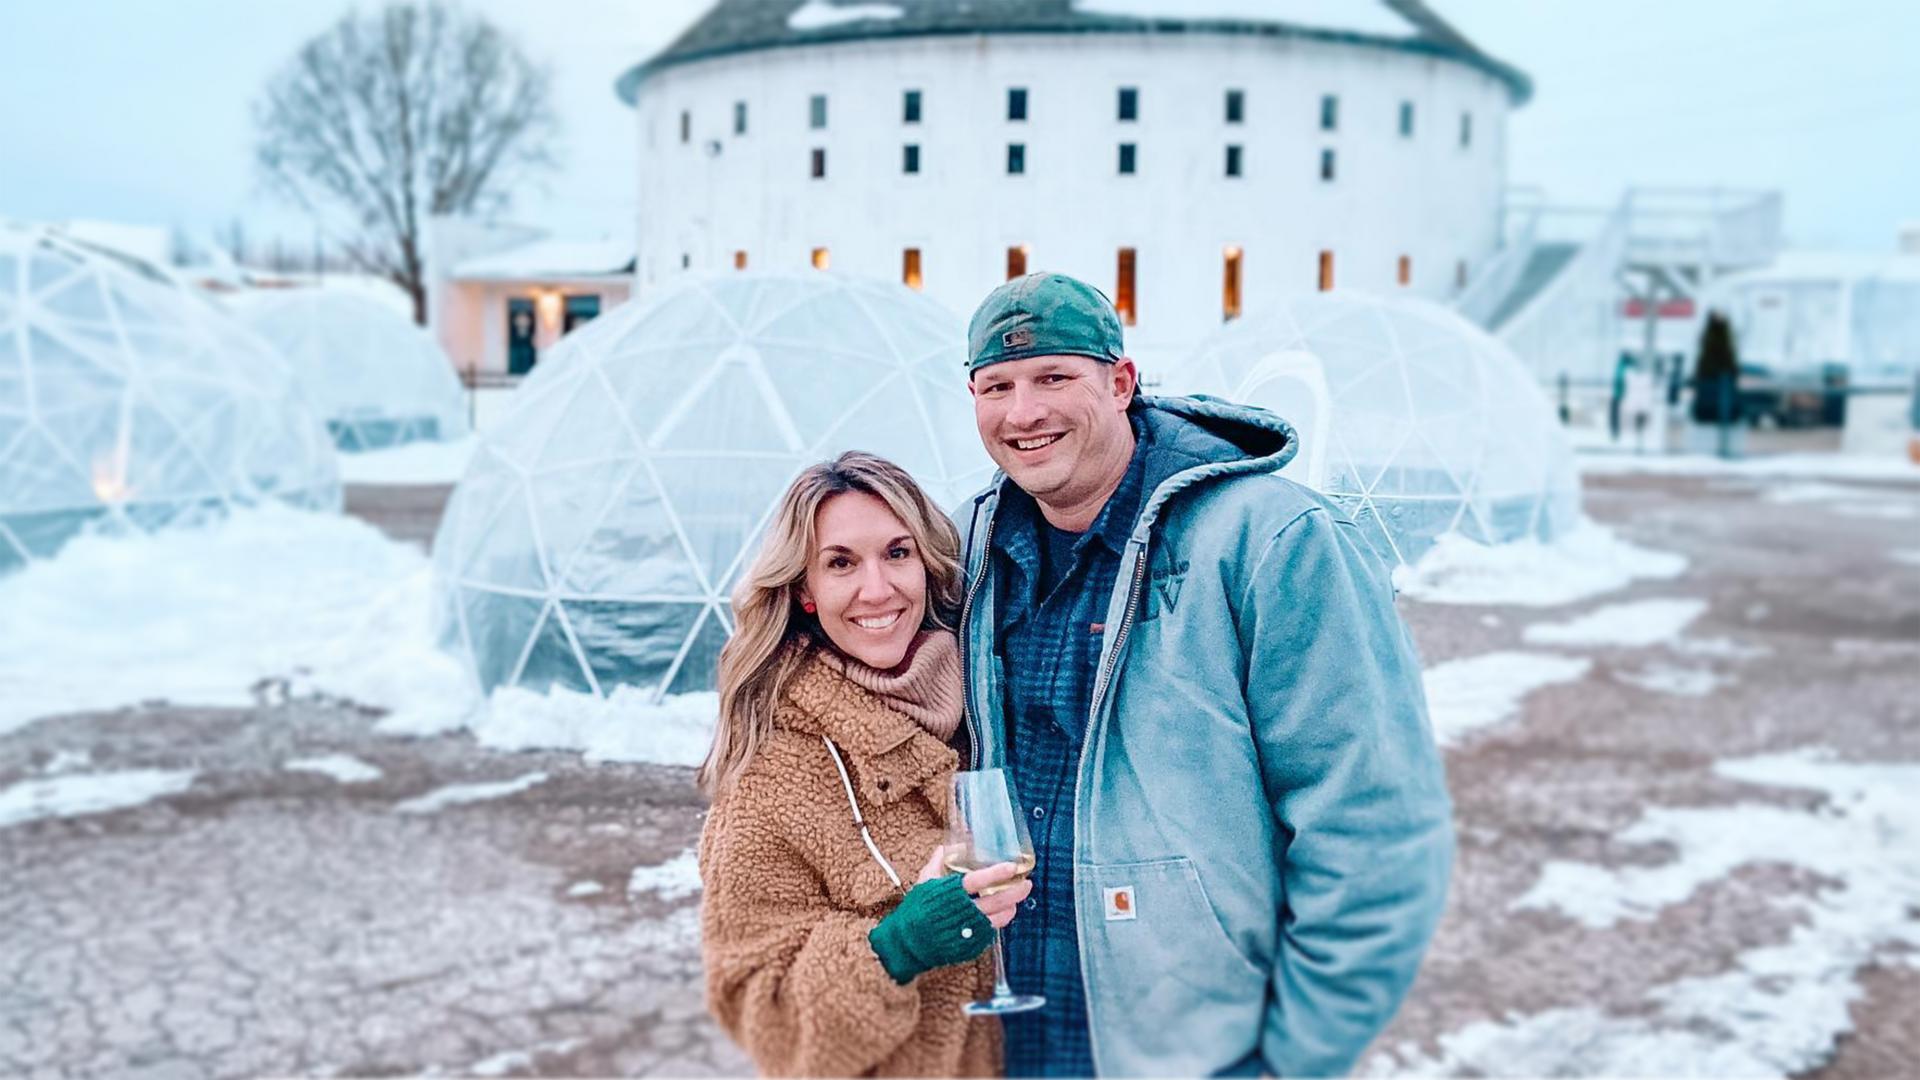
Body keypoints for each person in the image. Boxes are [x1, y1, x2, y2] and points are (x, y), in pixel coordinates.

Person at [955, 273, 1453, 1077]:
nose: (1024, 412)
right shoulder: (970, 548)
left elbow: (1373, 829)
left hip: (1190, 1047)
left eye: (1054, 377)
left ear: (1121, 382)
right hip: (1006, 1038)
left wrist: (1294, 1058)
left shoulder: (1272, 539)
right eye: (997, 386)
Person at [697, 451, 1033, 1077]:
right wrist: (895, 948)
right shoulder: (775, 774)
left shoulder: (986, 700)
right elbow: (758, 1008)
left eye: (897, 554)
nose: (877, 590)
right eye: (841, 563)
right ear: (804, 589)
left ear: (928, 566)